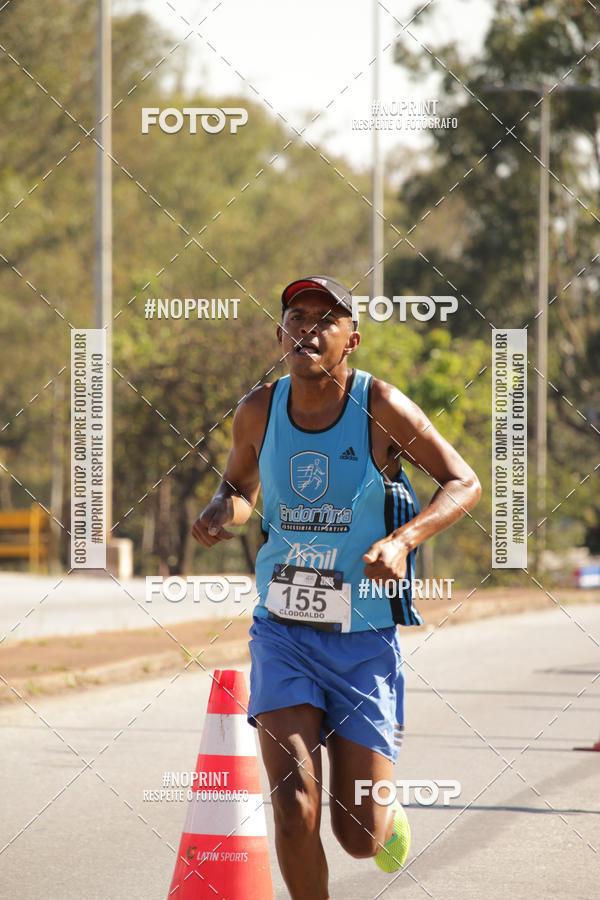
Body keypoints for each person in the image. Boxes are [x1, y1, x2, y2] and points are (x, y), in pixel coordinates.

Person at [192, 275, 481, 900]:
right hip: (283, 633)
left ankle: (385, 817)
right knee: (293, 805)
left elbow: (463, 481)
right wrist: (222, 511)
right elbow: (239, 489)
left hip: (363, 639)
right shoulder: (259, 409)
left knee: (358, 835)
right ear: (280, 334)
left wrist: (402, 542)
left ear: (352, 339)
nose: (309, 328)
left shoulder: (381, 406)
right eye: (298, 316)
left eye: (326, 319)